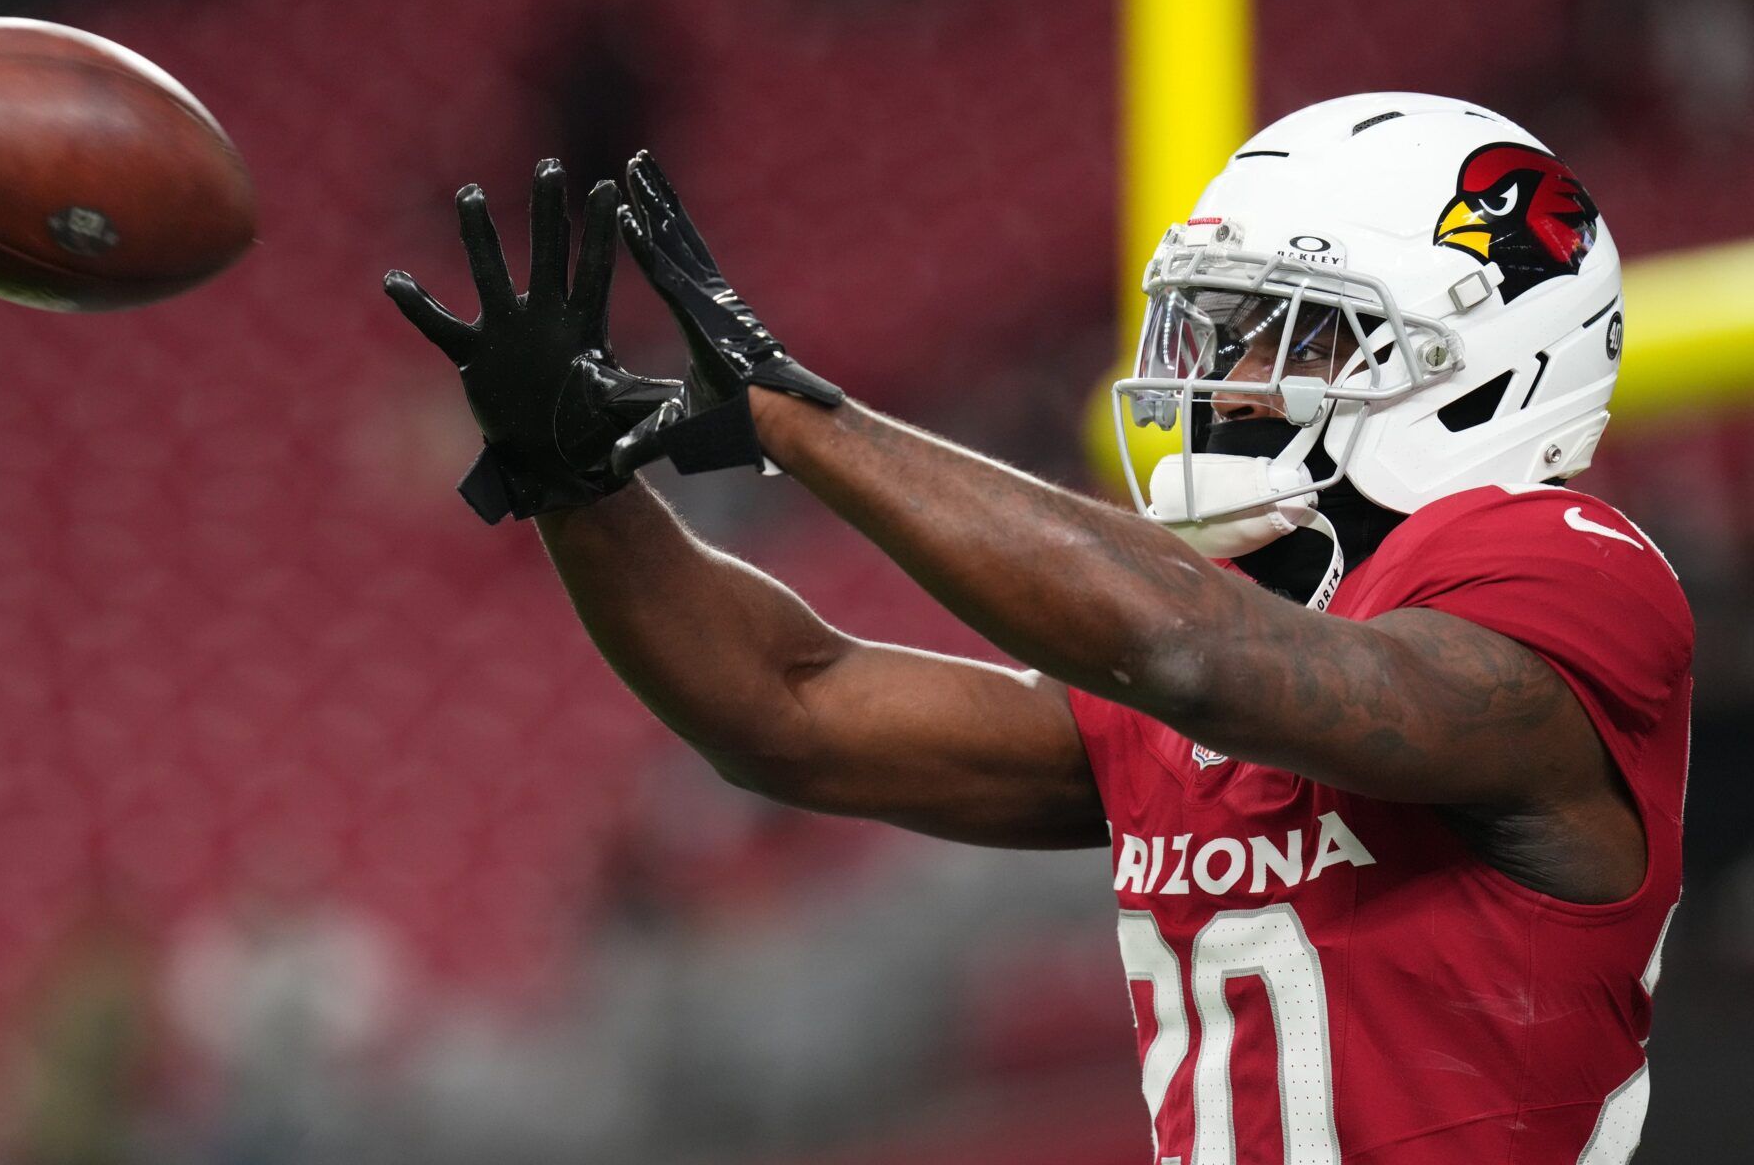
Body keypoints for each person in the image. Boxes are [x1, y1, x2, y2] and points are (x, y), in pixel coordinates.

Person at [383, 92, 1691, 1163]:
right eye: (1213, 328)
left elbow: (1210, 664)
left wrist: (802, 419)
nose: (1213, 378)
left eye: (1278, 336)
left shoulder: (1564, 571)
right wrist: (575, 483)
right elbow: (787, 708)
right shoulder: (1232, 638)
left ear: (1480, 355)